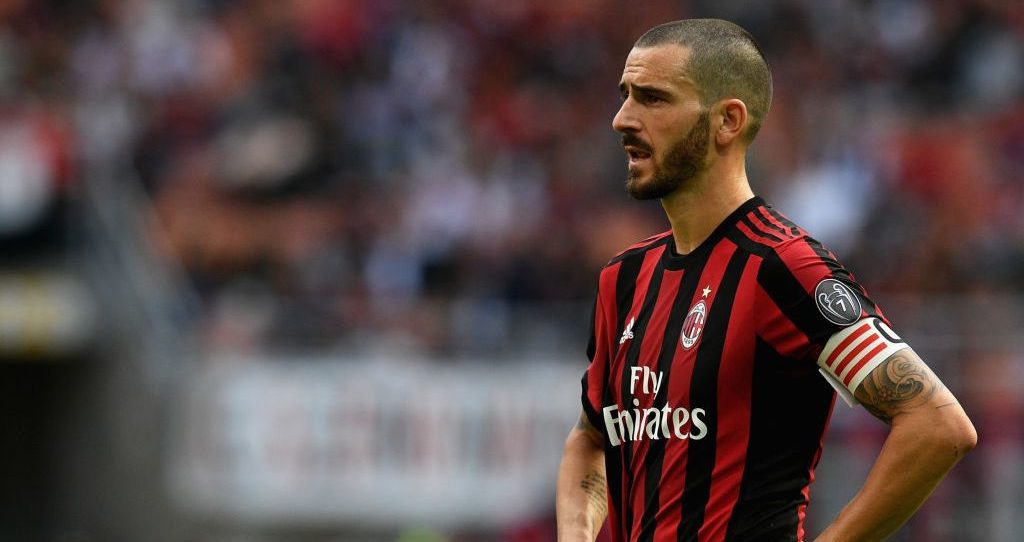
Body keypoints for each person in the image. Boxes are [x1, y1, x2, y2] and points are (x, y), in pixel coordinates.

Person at [555, 19, 977, 542]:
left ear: (727, 121)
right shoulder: (622, 279)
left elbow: (937, 425)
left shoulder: (782, 267)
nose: (622, 119)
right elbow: (590, 438)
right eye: (625, 97)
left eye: (653, 99)